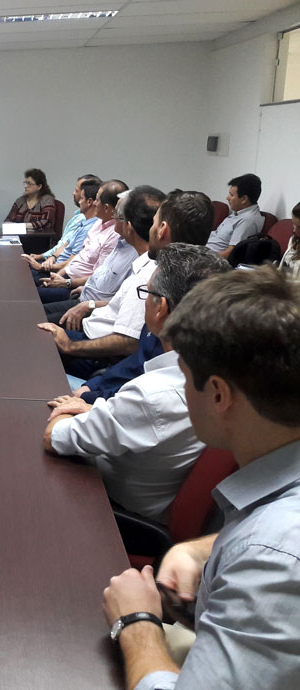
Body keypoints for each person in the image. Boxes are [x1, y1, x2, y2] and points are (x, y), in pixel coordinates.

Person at [101, 266, 300, 690]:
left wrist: (136, 622)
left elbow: (275, 548)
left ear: (218, 395)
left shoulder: (274, 556)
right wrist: (200, 550)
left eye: (183, 373)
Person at [43, 244, 230, 521]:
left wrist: (73, 408)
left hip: (108, 510)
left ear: (161, 308)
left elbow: (54, 437)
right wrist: (96, 410)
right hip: (134, 479)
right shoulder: (221, 373)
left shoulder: (151, 395)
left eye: (147, 293)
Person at [38, 189, 214, 381]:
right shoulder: (195, 272)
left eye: (153, 222)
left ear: (162, 229)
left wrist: (70, 346)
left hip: (98, 354)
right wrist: (90, 305)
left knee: (34, 340)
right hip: (96, 333)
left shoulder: (152, 277)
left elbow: (128, 343)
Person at [43, 186, 165, 325]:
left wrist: (88, 302)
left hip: (96, 316)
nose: (113, 218)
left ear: (129, 227)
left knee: (38, 321)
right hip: (85, 297)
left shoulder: (140, 260)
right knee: (37, 313)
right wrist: (86, 288)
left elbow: (121, 306)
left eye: (117, 215)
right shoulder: (122, 243)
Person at [36, 179, 127, 302]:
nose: (94, 203)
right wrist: (57, 276)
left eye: (97, 200)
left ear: (106, 208)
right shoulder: (98, 223)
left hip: (75, 287)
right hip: (65, 277)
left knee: (29, 294)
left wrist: (66, 282)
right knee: (27, 286)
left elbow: (97, 277)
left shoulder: (114, 235)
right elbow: (77, 257)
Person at [23, 174, 101, 273]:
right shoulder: (83, 221)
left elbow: (73, 262)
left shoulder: (88, 225)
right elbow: (65, 245)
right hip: (55, 264)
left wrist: (42, 267)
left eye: (77, 191)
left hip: (59, 270)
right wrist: (51, 257)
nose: (73, 193)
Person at [205, 173, 264, 259]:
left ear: (244, 199)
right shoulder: (238, 212)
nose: (227, 198)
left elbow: (229, 254)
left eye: (231, 195)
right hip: (204, 250)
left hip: (210, 259)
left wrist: (202, 257)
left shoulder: (247, 220)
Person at [5, 168, 56, 232]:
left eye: (29, 183)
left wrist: (22, 226)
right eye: (25, 183)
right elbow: (8, 220)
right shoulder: (20, 200)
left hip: (39, 236)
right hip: (18, 235)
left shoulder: (47, 199)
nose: (25, 186)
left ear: (39, 186)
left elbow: (46, 222)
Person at [277, 201, 300, 279]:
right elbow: (280, 270)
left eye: (299, 227)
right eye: (293, 224)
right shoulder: (294, 240)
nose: (294, 230)